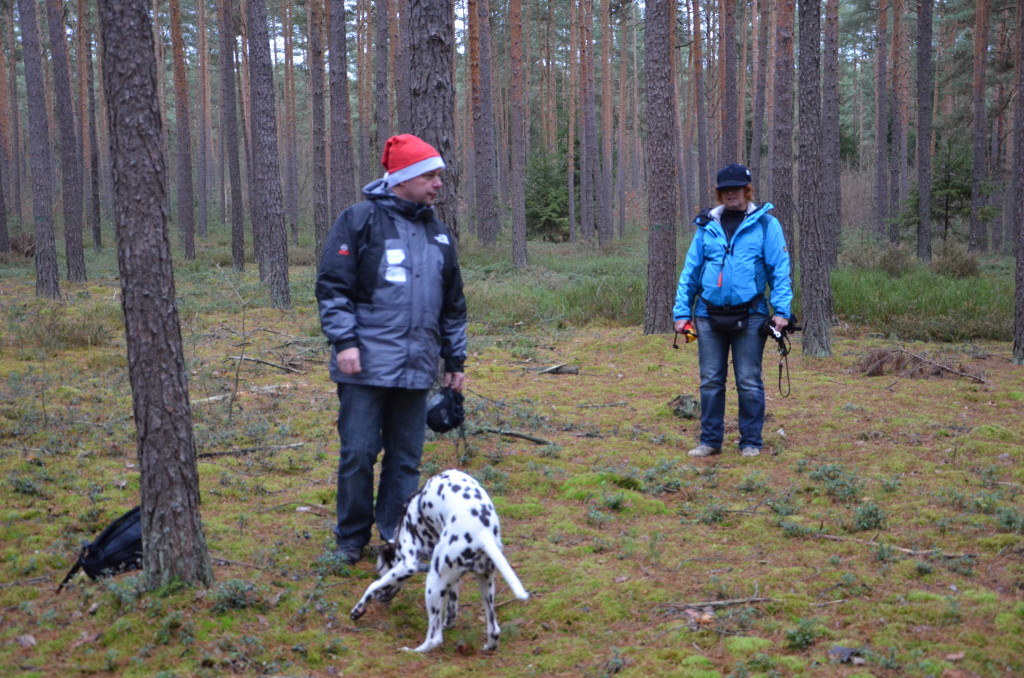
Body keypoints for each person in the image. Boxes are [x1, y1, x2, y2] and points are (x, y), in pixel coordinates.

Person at [316, 134, 468, 564]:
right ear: (402, 178)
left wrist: (454, 359)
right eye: (429, 176)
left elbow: (453, 303)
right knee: (358, 453)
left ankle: (398, 533)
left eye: (439, 176)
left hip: (418, 365)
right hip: (363, 365)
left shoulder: (437, 232)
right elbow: (333, 287)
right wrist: (345, 342)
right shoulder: (359, 220)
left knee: (406, 458)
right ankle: (351, 537)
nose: (438, 184)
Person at [673, 162, 792, 458]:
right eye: (725, 189)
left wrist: (782, 311)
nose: (731, 194)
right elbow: (691, 271)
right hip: (707, 314)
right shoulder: (706, 225)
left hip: (751, 315)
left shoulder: (766, 225)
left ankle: (751, 442)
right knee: (711, 381)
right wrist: (682, 313)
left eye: (737, 188)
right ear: (719, 193)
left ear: (747, 190)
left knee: (749, 381)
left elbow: (779, 270)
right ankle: (710, 441)